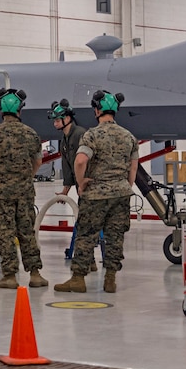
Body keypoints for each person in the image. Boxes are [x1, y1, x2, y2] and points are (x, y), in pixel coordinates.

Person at [56, 90, 139, 294]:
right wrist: (125, 185)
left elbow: (80, 160)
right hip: (120, 194)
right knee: (115, 236)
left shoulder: (92, 135)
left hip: (96, 195)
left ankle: (78, 279)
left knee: (86, 235)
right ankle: (110, 279)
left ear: (97, 110)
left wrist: (81, 181)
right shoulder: (129, 137)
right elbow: (133, 168)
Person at [0, 88, 47, 290]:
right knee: (26, 231)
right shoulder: (31, 134)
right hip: (25, 191)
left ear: (0, 110)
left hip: (0, 192)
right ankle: (35, 274)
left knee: (4, 233)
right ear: (20, 110)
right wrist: (26, 177)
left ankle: (9, 276)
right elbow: (38, 162)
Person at [49, 99, 86, 258]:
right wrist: (65, 191)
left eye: (57, 120)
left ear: (68, 118)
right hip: (81, 188)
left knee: (86, 222)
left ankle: (86, 258)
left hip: (89, 186)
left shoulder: (80, 134)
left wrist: (84, 184)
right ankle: (83, 256)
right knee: (83, 220)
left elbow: (84, 162)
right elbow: (67, 167)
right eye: (54, 120)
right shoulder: (63, 140)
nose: (55, 123)